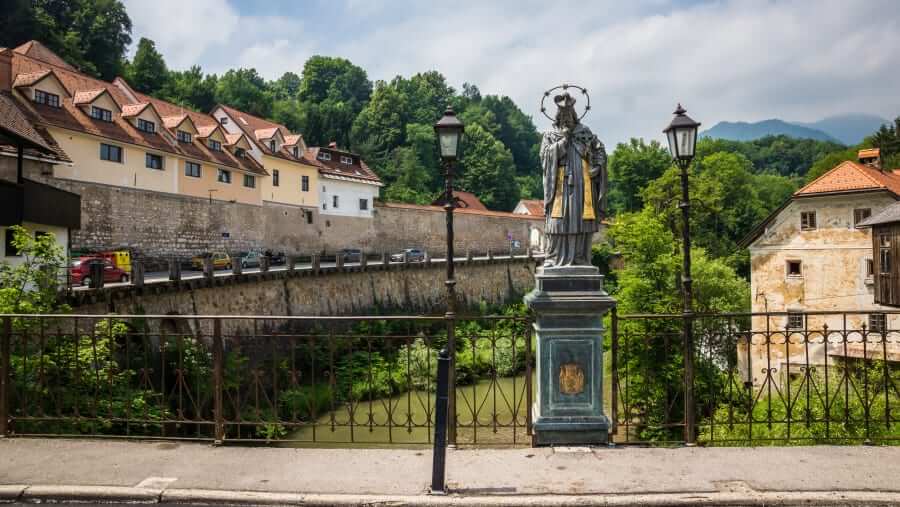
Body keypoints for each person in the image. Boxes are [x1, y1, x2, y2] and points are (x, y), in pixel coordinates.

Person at [540, 91, 608, 267]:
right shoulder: (550, 133)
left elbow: (599, 149)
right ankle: (554, 257)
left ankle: (580, 257)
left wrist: (598, 167)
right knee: (557, 219)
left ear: (574, 114)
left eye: (569, 114)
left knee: (581, 218)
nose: (566, 117)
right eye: (563, 114)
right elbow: (545, 156)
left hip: (582, 181)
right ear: (558, 115)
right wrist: (564, 140)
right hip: (560, 182)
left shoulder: (584, 132)